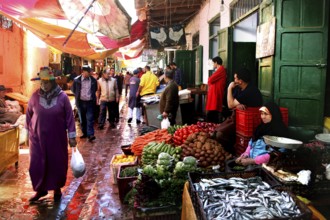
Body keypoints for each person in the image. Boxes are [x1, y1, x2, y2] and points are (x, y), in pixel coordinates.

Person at [25, 67, 77, 202]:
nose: (44, 85)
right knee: (37, 164)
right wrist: (27, 134)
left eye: (47, 82)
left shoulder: (62, 97)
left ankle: (57, 189)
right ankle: (40, 190)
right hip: (37, 139)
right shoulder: (35, 96)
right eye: (42, 82)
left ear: (53, 82)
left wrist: (72, 137)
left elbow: (69, 117)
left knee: (56, 163)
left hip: (57, 139)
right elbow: (28, 115)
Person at [71, 65, 97, 141]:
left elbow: (94, 90)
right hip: (80, 102)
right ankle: (85, 133)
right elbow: (73, 90)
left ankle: (91, 134)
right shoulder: (76, 80)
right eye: (88, 72)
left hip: (90, 102)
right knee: (82, 119)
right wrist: (78, 95)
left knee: (90, 118)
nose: (90, 73)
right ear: (83, 72)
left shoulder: (93, 80)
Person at [205, 56, 227, 123]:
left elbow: (210, 80)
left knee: (214, 109)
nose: (213, 64)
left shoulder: (221, 69)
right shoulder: (219, 70)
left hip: (216, 92)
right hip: (215, 92)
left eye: (213, 63)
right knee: (213, 109)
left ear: (216, 62)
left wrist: (210, 82)